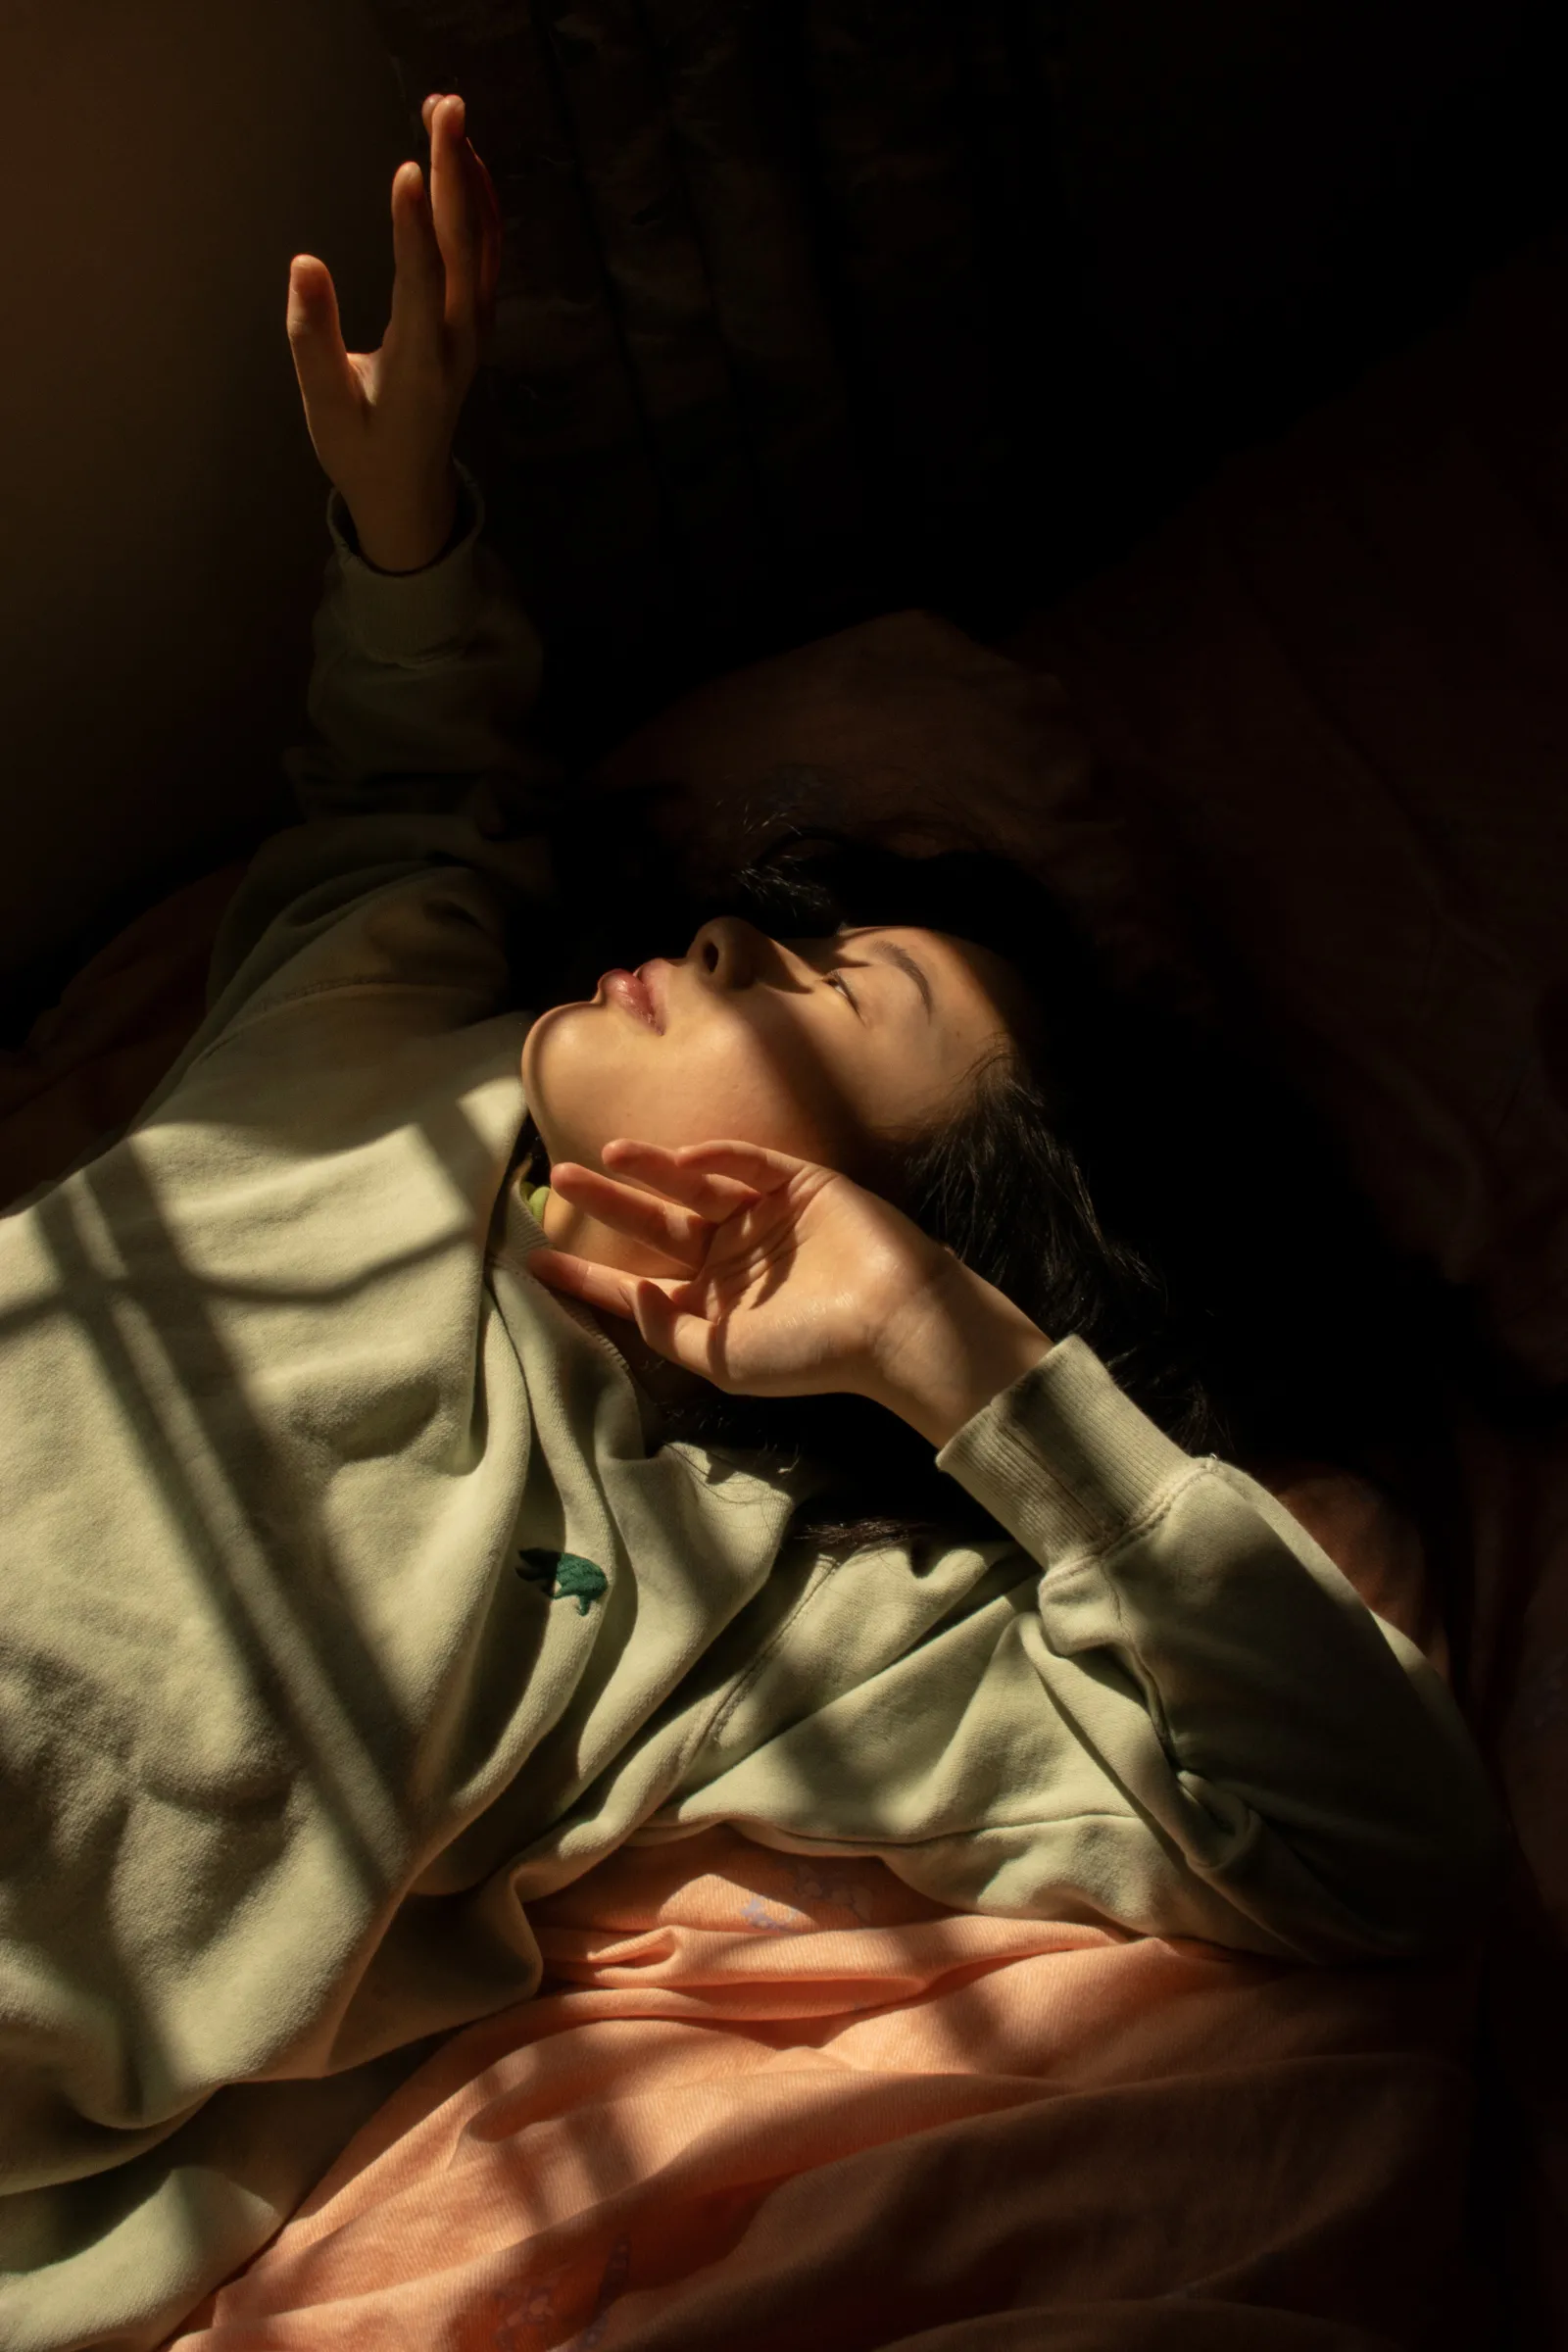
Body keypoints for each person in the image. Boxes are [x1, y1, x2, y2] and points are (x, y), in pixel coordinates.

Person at [0, 92, 1500, 2352]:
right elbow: (411, 781)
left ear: (870, 1205)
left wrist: (951, 1358)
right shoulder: (375, 1030)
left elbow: (1371, 1849)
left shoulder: (769, 1601)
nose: (716, 942)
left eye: (816, 988)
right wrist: (402, 517)